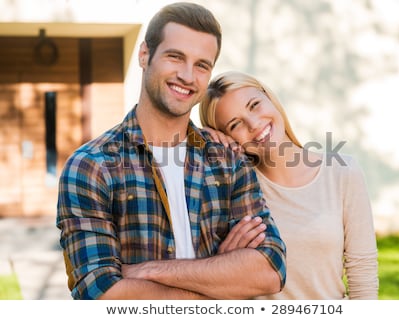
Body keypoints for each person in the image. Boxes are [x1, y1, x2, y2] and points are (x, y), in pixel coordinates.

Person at [56, 3, 286, 300]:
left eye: (202, 65)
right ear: (144, 55)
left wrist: (150, 270)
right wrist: (221, 278)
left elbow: (269, 272)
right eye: (175, 57)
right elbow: (99, 294)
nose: (188, 76)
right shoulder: (91, 166)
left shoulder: (228, 160)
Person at [199, 71, 379, 299]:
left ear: (270, 99)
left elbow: (363, 277)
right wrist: (202, 139)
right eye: (236, 124)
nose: (254, 124)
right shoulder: (235, 192)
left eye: (254, 105)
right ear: (227, 138)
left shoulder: (342, 171)